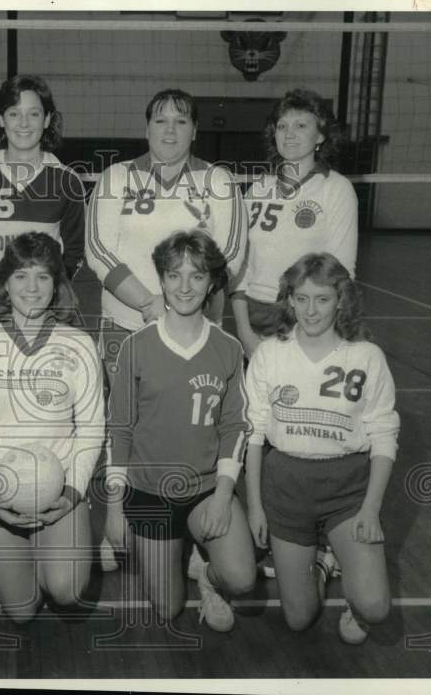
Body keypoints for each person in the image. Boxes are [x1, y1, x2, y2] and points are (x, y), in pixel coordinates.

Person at [86, 88, 249, 570]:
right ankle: (114, 522)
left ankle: (192, 533)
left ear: (195, 130)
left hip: (196, 333)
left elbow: (231, 256)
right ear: (146, 128)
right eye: (160, 120)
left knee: (188, 428)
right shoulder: (117, 177)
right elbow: (97, 249)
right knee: (122, 430)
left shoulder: (218, 182)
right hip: (125, 326)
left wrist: (185, 308)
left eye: (181, 121)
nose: (170, 130)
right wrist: (150, 304)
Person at [105, 229, 256, 631]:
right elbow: (118, 429)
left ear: (211, 283)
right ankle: (157, 544)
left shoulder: (227, 348)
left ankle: (208, 577)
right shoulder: (136, 347)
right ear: (162, 280)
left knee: (242, 578)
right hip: (149, 491)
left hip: (205, 489)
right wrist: (115, 508)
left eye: (197, 275)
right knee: (168, 609)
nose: (185, 286)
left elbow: (235, 426)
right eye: (174, 275)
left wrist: (224, 496)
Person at [244, 252, 398, 644]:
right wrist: (257, 506)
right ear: (289, 299)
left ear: (341, 300)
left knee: (376, 607)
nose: (311, 310)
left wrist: (371, 509)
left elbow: (383, 434)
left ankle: (355, 602)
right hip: (287, 486)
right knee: (299, 619)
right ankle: (320, 565)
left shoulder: (366, 356)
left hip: (347, 489)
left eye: (323, 299)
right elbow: (254, 434)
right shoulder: (269, 354)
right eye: (301, 298)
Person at [0, 232, 103, 623]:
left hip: (60, 485)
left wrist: (71, 493)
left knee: (67, 590)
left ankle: (50, 543)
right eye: (21, 276)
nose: (32, 287)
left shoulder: (79, 345)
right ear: (5, 283)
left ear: (57, 286)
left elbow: (91, 429)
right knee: (21, 613)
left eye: (42, 276)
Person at [232, 88, 358, 359]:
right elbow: (240, 268)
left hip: (307, 319)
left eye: (301, 125)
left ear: (321, 135)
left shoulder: (335, 188)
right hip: (254, 318)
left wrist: (313, 330)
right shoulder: (257, 189)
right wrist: (244, 333)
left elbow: (342, 271)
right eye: (282, 126)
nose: (289, 134)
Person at [0, 74, 86, 333]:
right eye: (14, 114)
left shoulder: (67, 180)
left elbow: (74, 250)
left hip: (44, 307)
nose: (24, 124)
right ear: (0, 119)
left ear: (48, 119)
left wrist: (46, 288)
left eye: (34, 114)